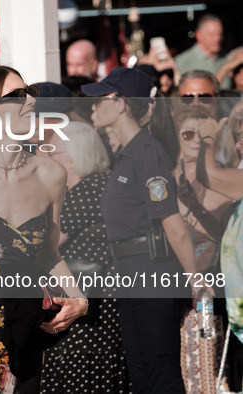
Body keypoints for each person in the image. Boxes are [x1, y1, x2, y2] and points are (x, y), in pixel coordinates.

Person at [0, 65, 88, 393]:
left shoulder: (51, 174)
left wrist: (80, 299)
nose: (30, 101)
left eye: (30, 92)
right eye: (16, 95)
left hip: (31, 329)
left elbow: (49, 255)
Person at [81, 67, 209, 393]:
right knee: (142, 371)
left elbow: (173, 224)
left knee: (159, 371)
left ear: (121, 103)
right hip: (131, 274)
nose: (93, 106)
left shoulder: (147, 152)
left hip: (152, 273)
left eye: (101, 99)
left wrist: (196, 282)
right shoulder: (127, 154)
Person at [38, 121, 131, 392]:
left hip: (91, 307)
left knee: (82, 377)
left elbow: (47, 243)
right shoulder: (102, 184)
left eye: (51, 152)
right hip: (91, 301)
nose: (47, 159)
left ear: (74, 156)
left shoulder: (90, 189)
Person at [171, 105, 234, 393]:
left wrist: (197, 207)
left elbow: (225, 237)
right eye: (188, 133)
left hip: (210, 291)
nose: (196, 140)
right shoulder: (164, 179)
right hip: (169, 290)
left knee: (209, 373)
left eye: (202, 134)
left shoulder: (221, 179)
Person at [175, 14, 228, 88]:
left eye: (220, 34)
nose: (218, 38)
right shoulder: (182, 61)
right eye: (212, 34)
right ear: (198, 35)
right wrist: (226, 68)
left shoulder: (225, 58)